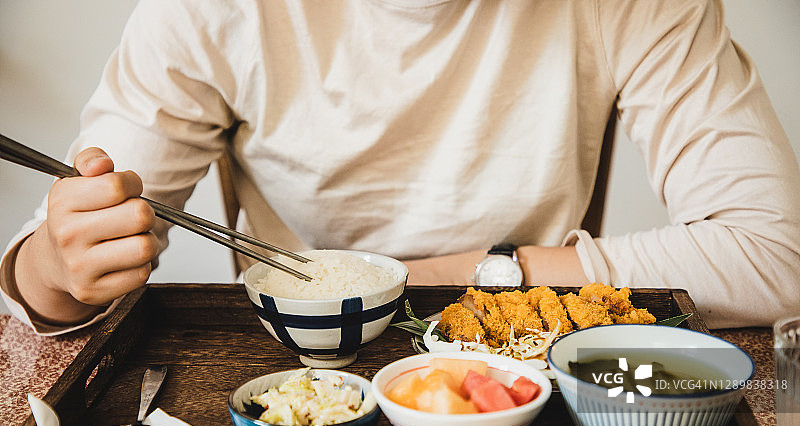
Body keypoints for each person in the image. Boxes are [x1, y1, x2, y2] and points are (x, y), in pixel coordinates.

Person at [2, 0, 799, 335]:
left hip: (536, 361)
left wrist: (461, 274)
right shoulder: (210, 13)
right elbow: (46, 281)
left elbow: (776, 256)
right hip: (299, 372)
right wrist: (60, 264)